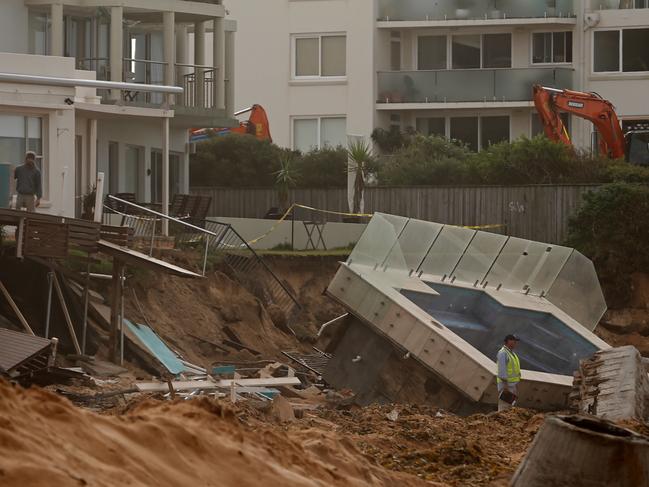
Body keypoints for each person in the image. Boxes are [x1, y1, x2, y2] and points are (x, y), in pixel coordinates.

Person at [496, 334, 521, 412]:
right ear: (508, 341)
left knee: (509, 408)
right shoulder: (503, 353)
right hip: (506, 385)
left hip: (512, 385)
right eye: (514, 341)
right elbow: (502, 371)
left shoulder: (512, 353)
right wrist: (505, 386)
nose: (516, 343)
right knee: (504, 408)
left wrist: (516, 386)